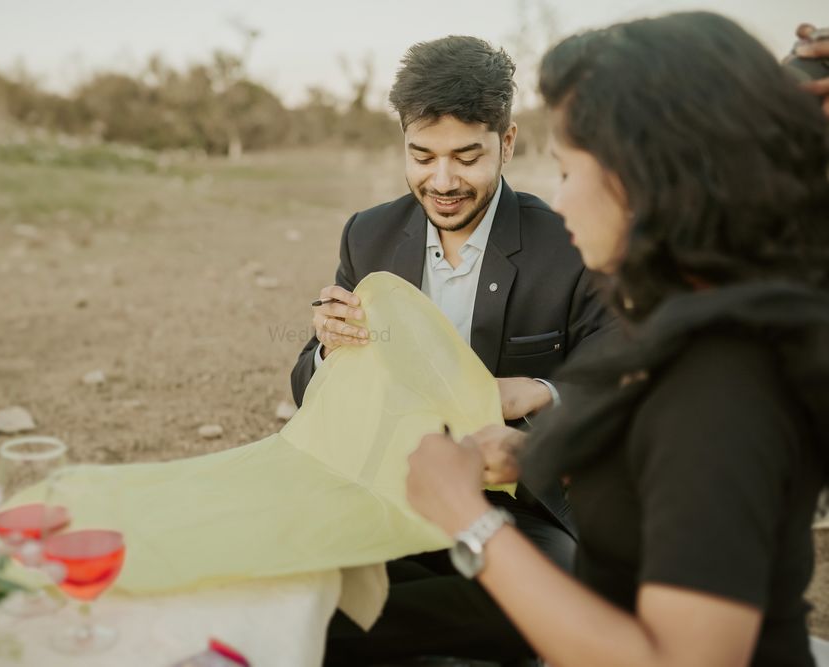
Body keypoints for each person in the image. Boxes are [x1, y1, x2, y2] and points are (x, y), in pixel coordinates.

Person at [406, 11, 829, 667]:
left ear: (648, 179)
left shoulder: (720, 381)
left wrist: (469, 517)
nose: (561, 201)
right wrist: (534, 451)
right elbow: (664, 474)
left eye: (570, 171)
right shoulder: (696, 317)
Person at [290, 35, 611, 664]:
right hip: (386, 483)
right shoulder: (369, 232)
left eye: (467, 157)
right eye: (422, 155)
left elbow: (624, 376)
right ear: (404, 144)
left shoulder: (568, 242)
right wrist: (330, 351)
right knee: (297, 561)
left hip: (525, 498)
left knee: (563, 584)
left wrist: (541, 392)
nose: (441, 182)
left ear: (508, 143)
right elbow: (306, 386)